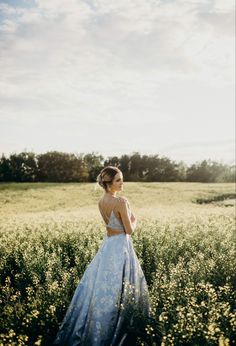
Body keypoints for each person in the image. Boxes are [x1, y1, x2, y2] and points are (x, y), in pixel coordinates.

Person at [53, 166, 151, 345]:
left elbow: (111, 225)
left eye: (122, 179)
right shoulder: (121, 202)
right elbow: (129, 230)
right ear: (109, 183)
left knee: (103, 286)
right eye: (118, 180)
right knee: (122, 285)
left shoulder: (101, 202)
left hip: (108, 246)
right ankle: (119, 326)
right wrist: (135, 221)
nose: (122, 183)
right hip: (121, 245)